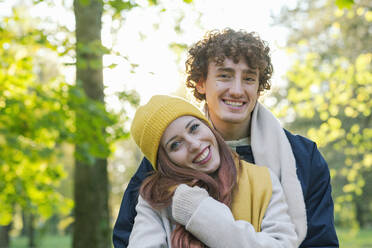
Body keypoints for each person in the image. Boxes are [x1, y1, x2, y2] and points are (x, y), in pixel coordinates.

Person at [113, 28, 339, 248]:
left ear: (259, 88)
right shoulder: (164, 161)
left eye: (249, 78)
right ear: (201, 83)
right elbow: (127, 237)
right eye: (224, 76)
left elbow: (321, 242)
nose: (237, 90)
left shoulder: (302, 156)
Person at [128, 95, 297, 247]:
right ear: (165, 162)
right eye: (175, 144)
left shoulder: (263, 180)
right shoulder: (158, 198)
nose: (194, 144)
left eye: (194, 128)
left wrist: (200, 212)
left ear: (207, 125)